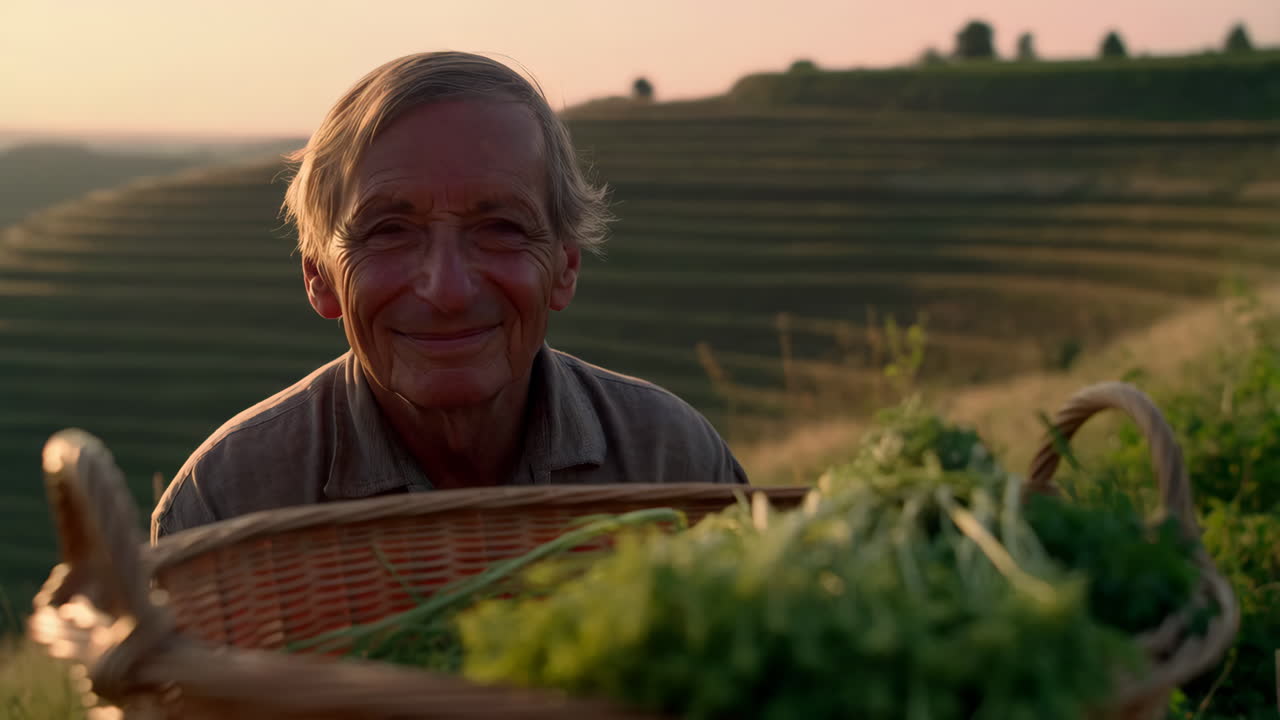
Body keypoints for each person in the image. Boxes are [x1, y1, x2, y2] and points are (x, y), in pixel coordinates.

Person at [150, 51, 748, 542]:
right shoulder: (228, 506)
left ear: (565, 266)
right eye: (388, 231)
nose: (448, 291)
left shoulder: (674, 466)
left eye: (500, 228)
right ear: (320, 277)